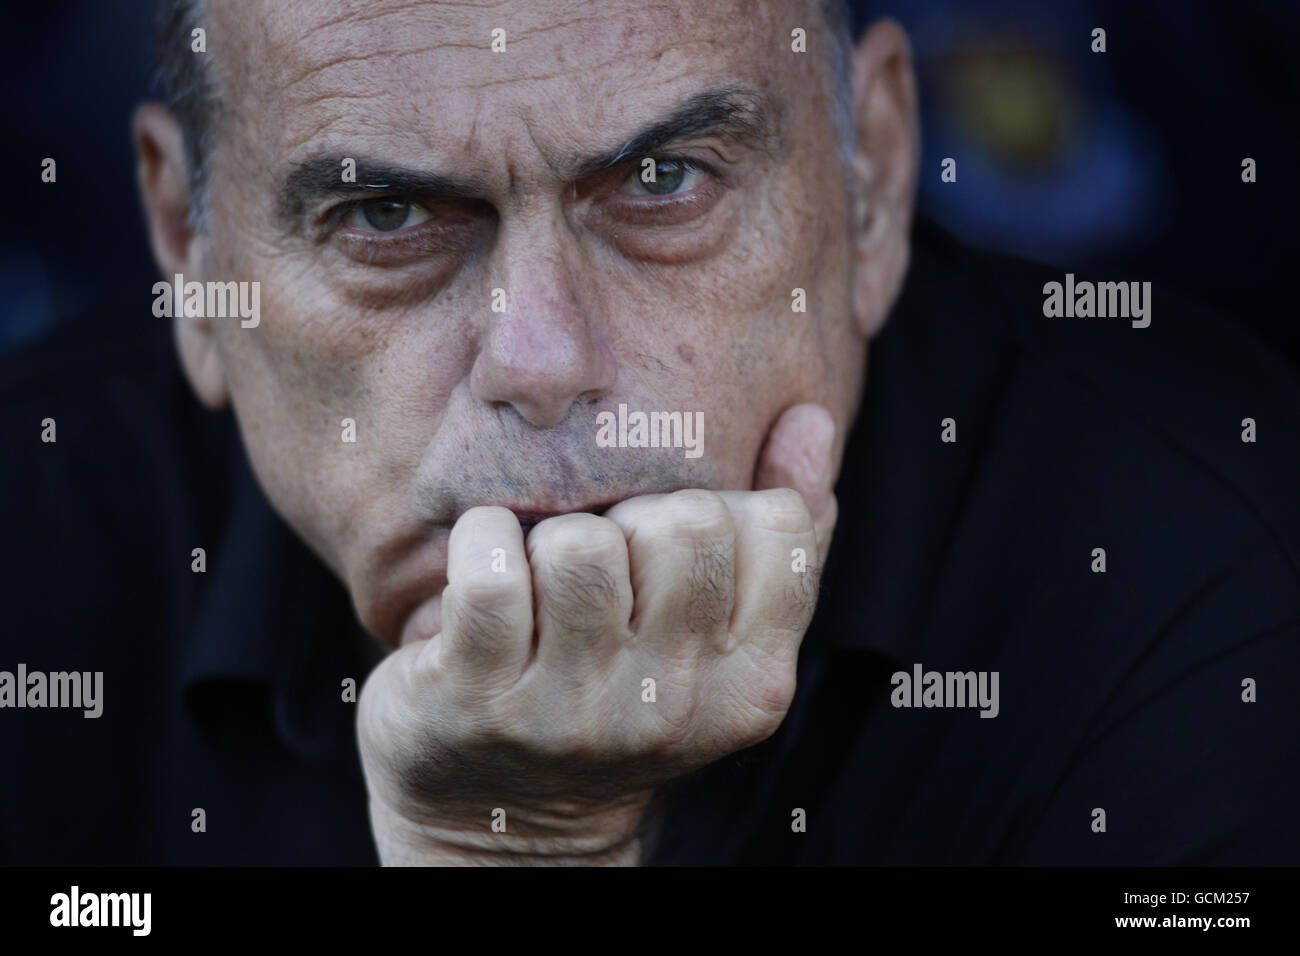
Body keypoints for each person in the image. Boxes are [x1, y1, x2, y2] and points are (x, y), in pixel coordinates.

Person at [2, 0, 1297, 865]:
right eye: (388, 218)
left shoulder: (1212, 589)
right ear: (188, 243)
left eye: (663, 183)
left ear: (874, 179)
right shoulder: (30, 533)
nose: (542, 365)